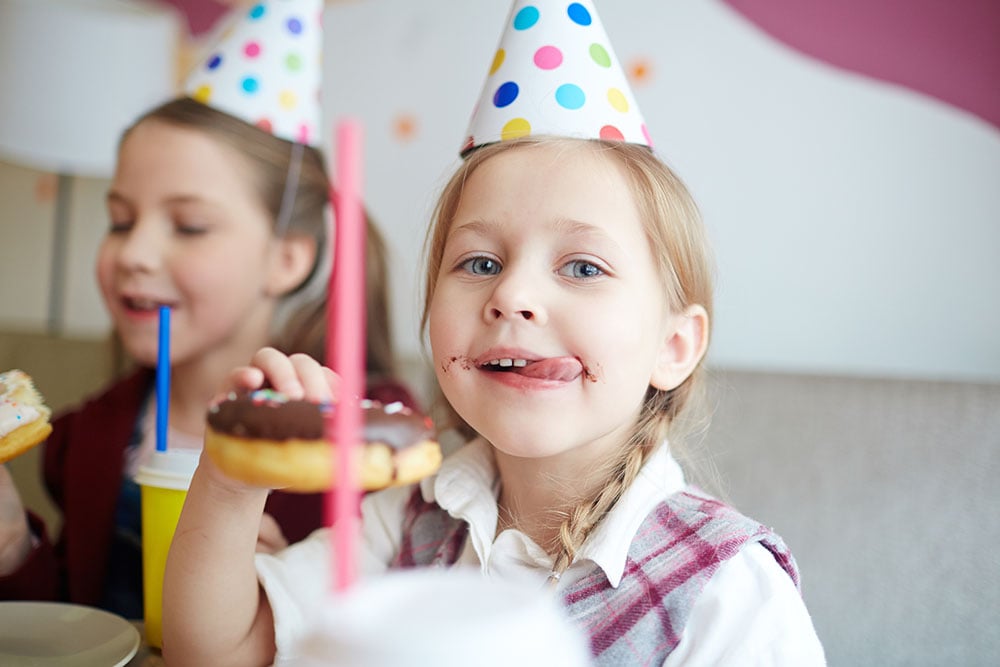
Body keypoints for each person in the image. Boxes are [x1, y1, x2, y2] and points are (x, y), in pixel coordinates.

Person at [0, 95, 417, 614]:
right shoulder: (89, 435)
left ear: (286, 260)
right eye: (121, 222)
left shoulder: (366, 441)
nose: (133, 254)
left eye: (190, 225)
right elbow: (70, 625)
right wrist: (12, 545)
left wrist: (294, 588)